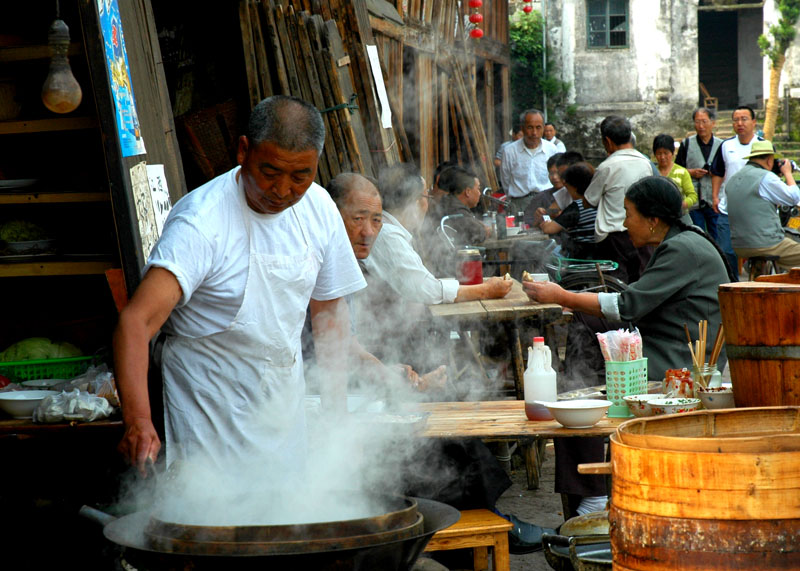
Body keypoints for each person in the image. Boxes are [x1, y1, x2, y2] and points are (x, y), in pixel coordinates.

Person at [113, 95, 366, 474]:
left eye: (301, 176)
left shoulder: (320, 209)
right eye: (270, 172)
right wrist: (138, 421)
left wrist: (336, 411)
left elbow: (328, 310)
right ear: (243, 150)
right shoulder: (202, 222)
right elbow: (136, 322)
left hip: (284, 409)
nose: (282, 190)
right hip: (208, 417)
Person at [524, 175, 734, 519]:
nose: (624, 223)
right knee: (584, 334)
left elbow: (629, 305)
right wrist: (575, 303)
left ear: (653, 220)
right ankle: (587, 475)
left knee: (579, 396)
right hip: (665, 341)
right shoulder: (681, 240)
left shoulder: (683, 248)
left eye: (629, 213)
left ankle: (591, 491)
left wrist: (563, 296)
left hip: (679, 361)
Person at [358, 163, 511, 367]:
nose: (427, 204)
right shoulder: (387, 235)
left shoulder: (392, 232)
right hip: (385, 343)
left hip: (394, 333)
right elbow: (426, 290)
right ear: (414, 201)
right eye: (426, 197)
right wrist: (484, 290)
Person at [325, 172, 447, 394]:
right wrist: (400, 382)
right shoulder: (325, 267)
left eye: (377, 220)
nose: (369, 232)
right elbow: (340, 352)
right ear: (330, 215)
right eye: (358, 219)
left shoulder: (348, 265)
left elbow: (351, 346)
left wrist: (392, 374)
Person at [583, 115, 654, 283]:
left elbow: (588, 201)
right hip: (641, 232)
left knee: (616, 284)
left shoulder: (607, 166)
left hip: (613, 236)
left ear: (607, 141)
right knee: (641, 280)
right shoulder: (645, 163)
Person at [725, 140, 800, 269]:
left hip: (739, 245)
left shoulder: (734, 178)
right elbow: (794, 197)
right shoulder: (766, 177)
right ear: (769, 160)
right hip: (766, 243)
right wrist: (787, 172)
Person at [710, 106, 764, 279]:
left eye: (744, 119)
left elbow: (772, 174)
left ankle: (757, 285)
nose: (740, 123)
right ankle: (733, 284)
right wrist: (715, 196)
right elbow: (718, 172)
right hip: (728, 209)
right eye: (736, 120)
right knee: (726, 251)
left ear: (754, 122)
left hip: (755, 210)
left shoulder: (763, 146)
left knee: (758, 253)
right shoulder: (726, 146)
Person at [532, 162, 598, 260]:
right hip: (596, 252)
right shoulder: (598, 201)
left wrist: (546, 222)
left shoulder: (577, 206)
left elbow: (548, 229)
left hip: (580, 256)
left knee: (544, 256)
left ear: (573, 187)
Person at [675, 107, 723, 238]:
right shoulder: (686, 144)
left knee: (717, 235)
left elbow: (726, 171)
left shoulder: (722, 145)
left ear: (713, 123)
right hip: (693, 200)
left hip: (715, 199)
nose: (701, 126)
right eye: (697, 122)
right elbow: (677, 169)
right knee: (696, 234)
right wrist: (691, 172)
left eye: (704, 121)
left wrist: (715, 173)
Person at [500, 108, 558, 214]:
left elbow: (556, 177)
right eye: (530, 127)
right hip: (519, 205)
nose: (534, 133)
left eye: (538, 127)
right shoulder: (509, 151)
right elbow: (506, 181)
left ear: (543, 128)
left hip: (546, 203)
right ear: (522, 128)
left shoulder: (551, 149)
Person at [434, 165, 491, 247]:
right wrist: (485, 230)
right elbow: (476, 233)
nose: (479, 193)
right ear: (468, 191)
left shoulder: (452, 204)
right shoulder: (455, 208)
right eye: (478, 188)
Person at [652, 133, 697, 214]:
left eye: (666, 153)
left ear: (672, 153)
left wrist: (682, 204)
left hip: (679, 215)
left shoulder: (682, 172)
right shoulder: (651, 172)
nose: (662, 157)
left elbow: (692, 196)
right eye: (659, 153)